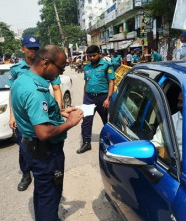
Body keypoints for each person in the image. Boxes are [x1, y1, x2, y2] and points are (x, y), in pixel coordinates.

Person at [11, 45, 84, 221]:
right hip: (45, 151)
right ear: (45, 63)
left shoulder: (23, 79)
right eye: (60, 68)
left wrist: (59, 113)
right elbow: (43, 132)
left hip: (34, 149)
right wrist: (70, 122)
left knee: (43, 192)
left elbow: (33, 113)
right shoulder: (35, 91)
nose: (60, 72)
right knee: (50, 195)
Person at [8, 35, 63, 192]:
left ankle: (43, 174)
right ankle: (26, 174)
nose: (33, 50)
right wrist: (12, 115)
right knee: (25, 145)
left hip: (41, 111)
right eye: (30, 48)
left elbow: (57, 89)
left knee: (42, 147)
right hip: (25, 115)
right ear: (22, 49)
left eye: (36, 48)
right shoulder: (17, 70)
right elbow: (13, 92)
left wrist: (58, 110)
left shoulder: (49, 66)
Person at [77, 45, 115, 154]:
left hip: (103, 97)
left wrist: (108, 99)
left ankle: (110, 143)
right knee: (86, 121)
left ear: (99, 54)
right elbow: (86, 83)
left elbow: (111, 82)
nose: (92, 58)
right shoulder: (87, 67)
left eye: (94, 55)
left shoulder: (107, 65)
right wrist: (84, 97)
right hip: (89, 98)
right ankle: (86, 143)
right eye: (89, 56)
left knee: (106, 121)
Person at [151, 91, 183, 160]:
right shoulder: (171, 122)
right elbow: (156, 143)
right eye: (179, 101)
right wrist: (162, 151)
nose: (179, 105)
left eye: (183, 102)